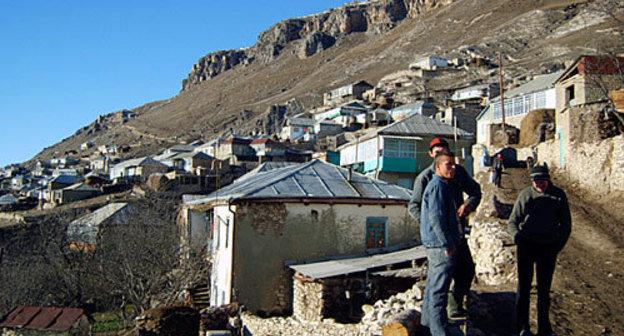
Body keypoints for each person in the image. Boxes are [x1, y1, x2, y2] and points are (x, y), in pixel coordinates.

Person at [409, 138, 482, 318]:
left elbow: (475, 190)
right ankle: (435, 320)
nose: (440, 155)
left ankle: (455, 303)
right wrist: (430, 226)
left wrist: (468, 205)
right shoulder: (425, 178)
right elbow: (414, 206)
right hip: (438, 238)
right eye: (436, 152)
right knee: (440, 276)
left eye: (444, 151)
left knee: (466, 269)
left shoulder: (457, 172)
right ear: (432, 156)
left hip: (457, 231)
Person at [508, 165, 572, 336]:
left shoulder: (558, 195)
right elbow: (513, 221)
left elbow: (566, 224)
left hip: (548, 247)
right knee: (524, 288)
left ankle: (545, 328)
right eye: (536, 182)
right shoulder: (526, 195)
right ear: (532, 181)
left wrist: (559, 244)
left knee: (544, 290)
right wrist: (517, 238)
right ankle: (522, 327)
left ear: (548, 180)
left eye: (542, 181)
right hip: (527, 246)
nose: (539, 185)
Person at [419, 149, 462, 336]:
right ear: (438, 167)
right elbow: (437, 218)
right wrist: (448, 244)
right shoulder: (437, 187)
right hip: (440, 246)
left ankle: (427, 326)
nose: (453, 168)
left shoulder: (442, 185)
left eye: (454, 164)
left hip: (437, 244)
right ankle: (438, 332)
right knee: (439, 292)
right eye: (448, 164)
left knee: (432, 289)